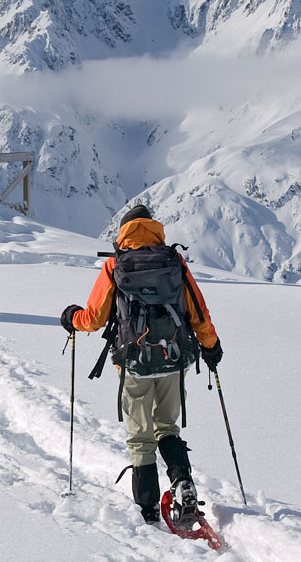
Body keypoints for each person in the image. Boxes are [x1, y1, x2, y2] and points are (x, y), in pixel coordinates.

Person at [60, 205, 223, 524]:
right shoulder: (174, 262)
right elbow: (199, 312)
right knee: (167, 427)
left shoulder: (115, 265)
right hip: (174, 359)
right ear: (154, 229)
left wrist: (71, 318)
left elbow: (93, 319)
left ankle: (149, 511)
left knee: (141, 437)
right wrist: (211, 346)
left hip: (134, 363)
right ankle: (183, 484)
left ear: (123, 232)